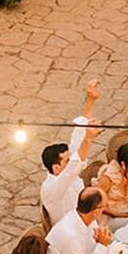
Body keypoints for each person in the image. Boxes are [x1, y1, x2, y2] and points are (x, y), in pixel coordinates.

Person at [39, 80, 103, 228]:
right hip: (71, 231)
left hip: (87, 221)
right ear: (56, 168)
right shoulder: (52, 187)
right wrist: (88, 138)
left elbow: (78, 135)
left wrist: (91, 100)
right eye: (67, 161)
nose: (71, 160)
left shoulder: (64, 171)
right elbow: (74, 164)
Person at [43, 187, 118, 254]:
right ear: (96, 211)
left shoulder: (87, 218)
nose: (106, 209)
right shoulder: (69, 235)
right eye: (105, 206)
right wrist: (102, 245)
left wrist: (101, 240)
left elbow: (93, 250)